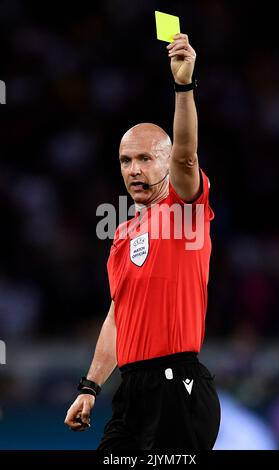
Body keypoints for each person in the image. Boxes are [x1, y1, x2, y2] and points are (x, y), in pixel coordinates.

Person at [64, 33, 220, 451]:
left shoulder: (185, 207)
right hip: (131, 395)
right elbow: (119, 314)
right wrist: (90, 386)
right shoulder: (122, 233)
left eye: (145, 158)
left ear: (166, 162)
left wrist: (183, 86)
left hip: (178, 388)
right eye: (126, 160)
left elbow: (188, 154)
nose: (133, 169)